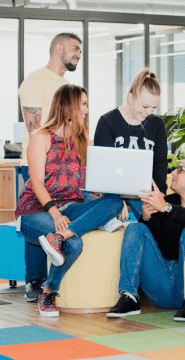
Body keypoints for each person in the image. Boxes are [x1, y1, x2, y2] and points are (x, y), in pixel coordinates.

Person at [15, 84, 124, 317]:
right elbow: (37, 185)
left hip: (71, 207)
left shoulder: (83, 138)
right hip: (36, 211)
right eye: (82, 104)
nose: (86, 109)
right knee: (74, 244)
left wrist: (97, 193)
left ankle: (60, 237)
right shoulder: (41, 138)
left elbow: (91, 180)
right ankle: (49, 292)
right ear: (68, 105)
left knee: (115, 202)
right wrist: (55, 213)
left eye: (86, 104)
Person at [106, 154, 185, 321]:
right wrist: (147, 217)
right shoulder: (166, 202)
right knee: (136, 227)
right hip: (160, 282)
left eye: (180, 169)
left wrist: (166, 207)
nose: (174, 172)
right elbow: (146, 241)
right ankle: (129, 297)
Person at [18, 32, 82, 302]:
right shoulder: (36, 80)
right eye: (75, 49)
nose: (79, 54)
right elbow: (35, 128)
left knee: (55, 220)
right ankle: (34, 280)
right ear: (58, 49)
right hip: (38, 160)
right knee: (38, 215)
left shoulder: (66, 85)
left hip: (64, 160)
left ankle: (49, 278)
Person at [94, 68, 168, 220]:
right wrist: (117, 200)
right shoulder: (107, 122)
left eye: (154, 107)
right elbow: (104, 168)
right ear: (130, 98)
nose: (149, 112)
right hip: (114, 195)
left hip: (145, 195)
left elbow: (160, 163)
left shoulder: (157, 124)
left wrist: (159, 195)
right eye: (145, 106)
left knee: (159, 223)